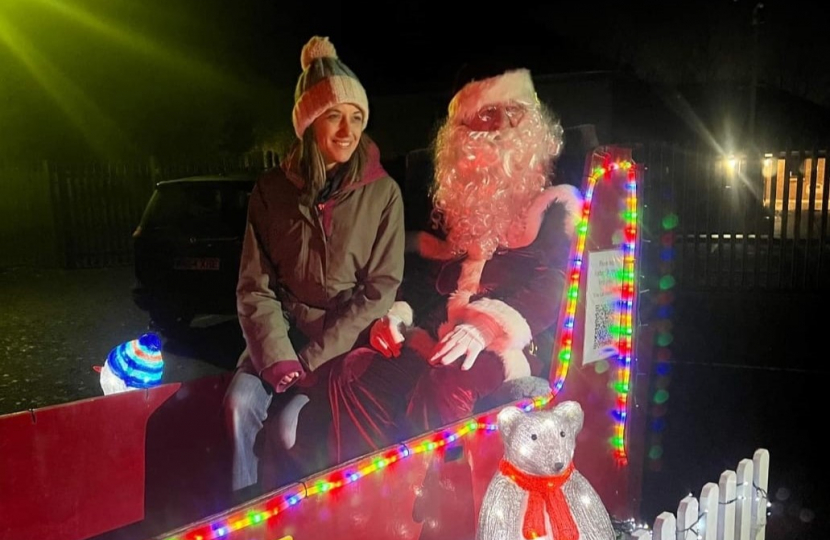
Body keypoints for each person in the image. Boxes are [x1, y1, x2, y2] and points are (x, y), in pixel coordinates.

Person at [325, 61, 583, 460]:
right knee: (357, 372)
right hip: (441, 338)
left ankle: (440, 505)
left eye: (503, 121)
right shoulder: (464, 212)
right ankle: (374, 499)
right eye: (477, 126)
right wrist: (397, 316)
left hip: (516, 349)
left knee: (447, 383)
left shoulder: (554, 206)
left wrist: (483, 328)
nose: (490, 137)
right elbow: (430, 284)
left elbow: (554, 285)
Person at [223, 35, 405, 497]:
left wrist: (309, 359)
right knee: (239, 404)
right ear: (308, 124)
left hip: (340, 346)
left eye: (357, 118)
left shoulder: (383, 194)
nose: (347, 130)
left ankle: (307, 516)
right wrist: (277, 354)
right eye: (333, 116)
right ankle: (245, 513)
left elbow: (379, 290)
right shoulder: (270, 193)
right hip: (281, 340)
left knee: (289, 429)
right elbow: (255, 286)